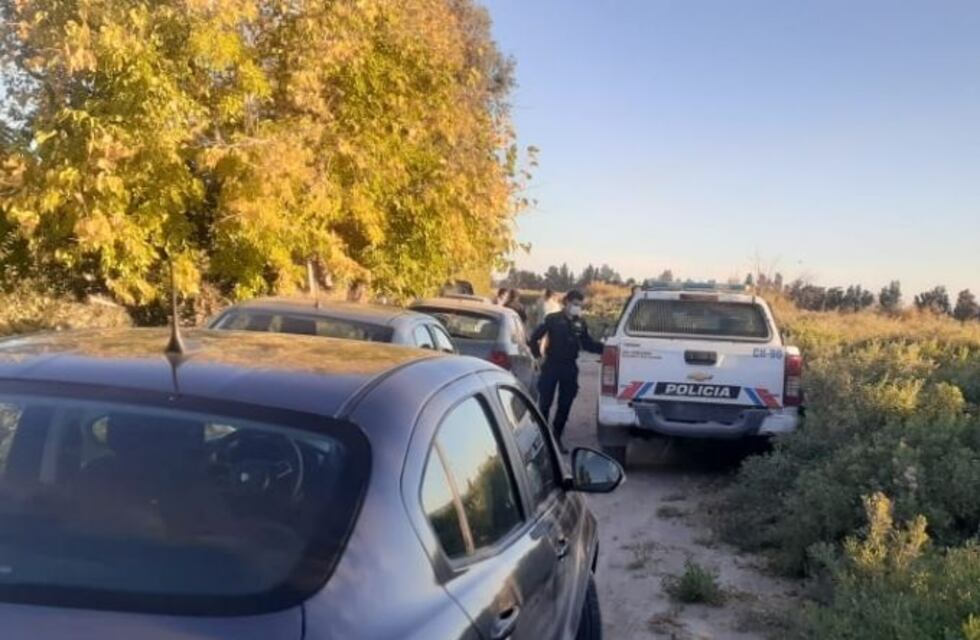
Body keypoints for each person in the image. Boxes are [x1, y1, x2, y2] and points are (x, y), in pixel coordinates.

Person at [528, 289, 603, 452]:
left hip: (569, 367)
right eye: (574, 304)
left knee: (565, 405)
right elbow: (534, 338)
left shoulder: (580, 323)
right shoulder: (553, 319)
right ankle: (542, 440)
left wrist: (607, 349)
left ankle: (556, 437)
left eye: (579, 305)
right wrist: (537, 357)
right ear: (566, 303)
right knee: (545, 403)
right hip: (551, 366)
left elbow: (587, 343)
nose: (577, 308)